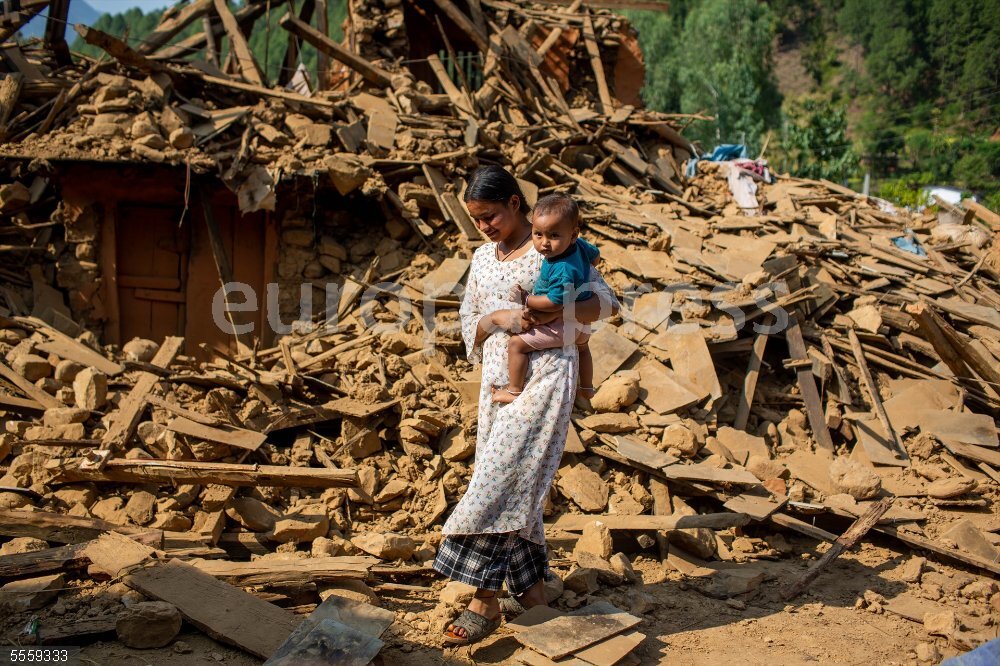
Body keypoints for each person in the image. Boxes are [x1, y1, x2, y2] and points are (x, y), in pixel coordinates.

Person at [433, 165, 619, 645]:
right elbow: (468, 320)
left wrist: (564, 306)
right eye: (476, 219)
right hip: (498, 381)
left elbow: (607, 301)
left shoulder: (552, 245)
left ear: (516, 203)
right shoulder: (481, 258)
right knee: (518, 480)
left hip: (546, 376)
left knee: (504, 476)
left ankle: (484, 599)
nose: (485, 227)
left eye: (490, 215)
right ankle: (532, 592)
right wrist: (496, 316)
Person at [491, 194, 600, 405]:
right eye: (538, 234)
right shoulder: (578, 245)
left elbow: (555, 302)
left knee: (516, 344)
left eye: (553, 236)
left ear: (573, 234)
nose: (544, 243)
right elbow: (595, 256)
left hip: (563, 323)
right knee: (583, 348)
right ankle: (587, 387)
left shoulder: (563, 268)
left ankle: (514, 391)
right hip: (580, 322)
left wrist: (527, 299)